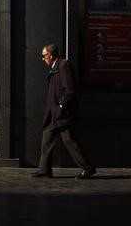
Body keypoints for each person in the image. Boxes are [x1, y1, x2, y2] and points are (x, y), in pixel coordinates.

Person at [31, 44, 96, 180]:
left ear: (51, 55)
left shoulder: (63, 65)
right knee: (47, 138)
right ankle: (44, 170)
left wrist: (61, 106)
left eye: (44, 56)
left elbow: (69, 90)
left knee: (69, 140)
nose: (43, 59)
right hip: (54, 114)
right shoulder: (55, 67)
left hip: (62, 114)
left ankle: (87, 168)